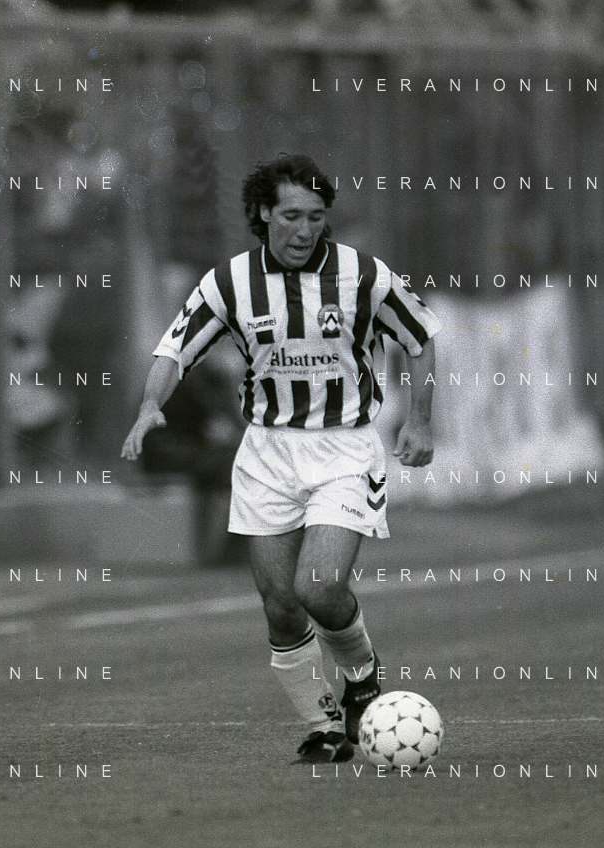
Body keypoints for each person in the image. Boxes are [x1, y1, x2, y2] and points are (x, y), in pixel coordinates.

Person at [122, 153, 441, 763]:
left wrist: (421, 419)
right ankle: (325, 726)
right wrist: (148, 406)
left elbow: (421, 336)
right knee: (280, 603)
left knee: (319, 587)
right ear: (264, 214)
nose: (304, 229)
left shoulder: (363, 275)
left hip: (344, 447)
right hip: (267, 452)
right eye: (291, 215)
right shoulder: (229, 283)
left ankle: (362, 675)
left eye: (316, 216)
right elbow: (175, 348)